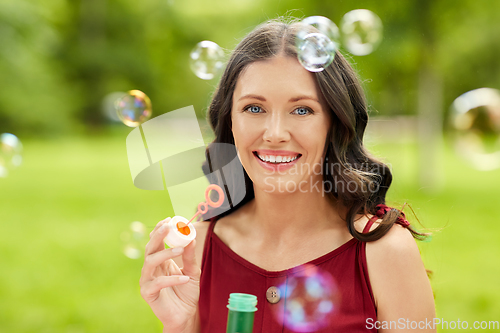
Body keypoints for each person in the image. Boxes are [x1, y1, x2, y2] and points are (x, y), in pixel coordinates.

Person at [139, 18, 436, 332]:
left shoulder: (384, 251)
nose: (275, 134)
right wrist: (180, 324)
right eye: (254, 108)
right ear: (230, 121)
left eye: (302, 109)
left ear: (335, 123)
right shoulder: (196, 250)